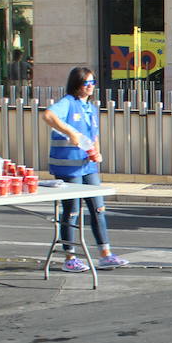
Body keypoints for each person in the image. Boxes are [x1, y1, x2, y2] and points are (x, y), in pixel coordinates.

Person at [41, 67, 128, 273]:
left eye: (92, 83)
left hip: (88, 166)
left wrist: (97, 154)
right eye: (86, 83)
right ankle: (70, 257)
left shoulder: (90, 107)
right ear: (77, 84)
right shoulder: (68, 103)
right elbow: (48, 116)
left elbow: (93, 136)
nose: (90, 87)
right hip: (69, 169)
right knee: (71, 211)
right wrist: (69, 130)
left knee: (98, 209)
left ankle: (105, 253)